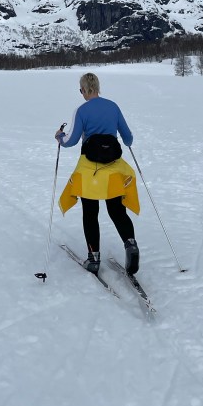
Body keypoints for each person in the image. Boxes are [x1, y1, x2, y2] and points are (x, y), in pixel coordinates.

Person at [55, 72, 140, 275]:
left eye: (81, 90)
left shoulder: (81, 111)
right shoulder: (113, 107)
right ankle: (130, 244)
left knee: (90, 213)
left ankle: (93, 259)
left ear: (85, 89)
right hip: (113, 169)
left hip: (89, 170)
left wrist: (59, 137)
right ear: (98, 87)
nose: (82, 93)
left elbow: (71, 140)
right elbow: (128, 139)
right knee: (117, 211)